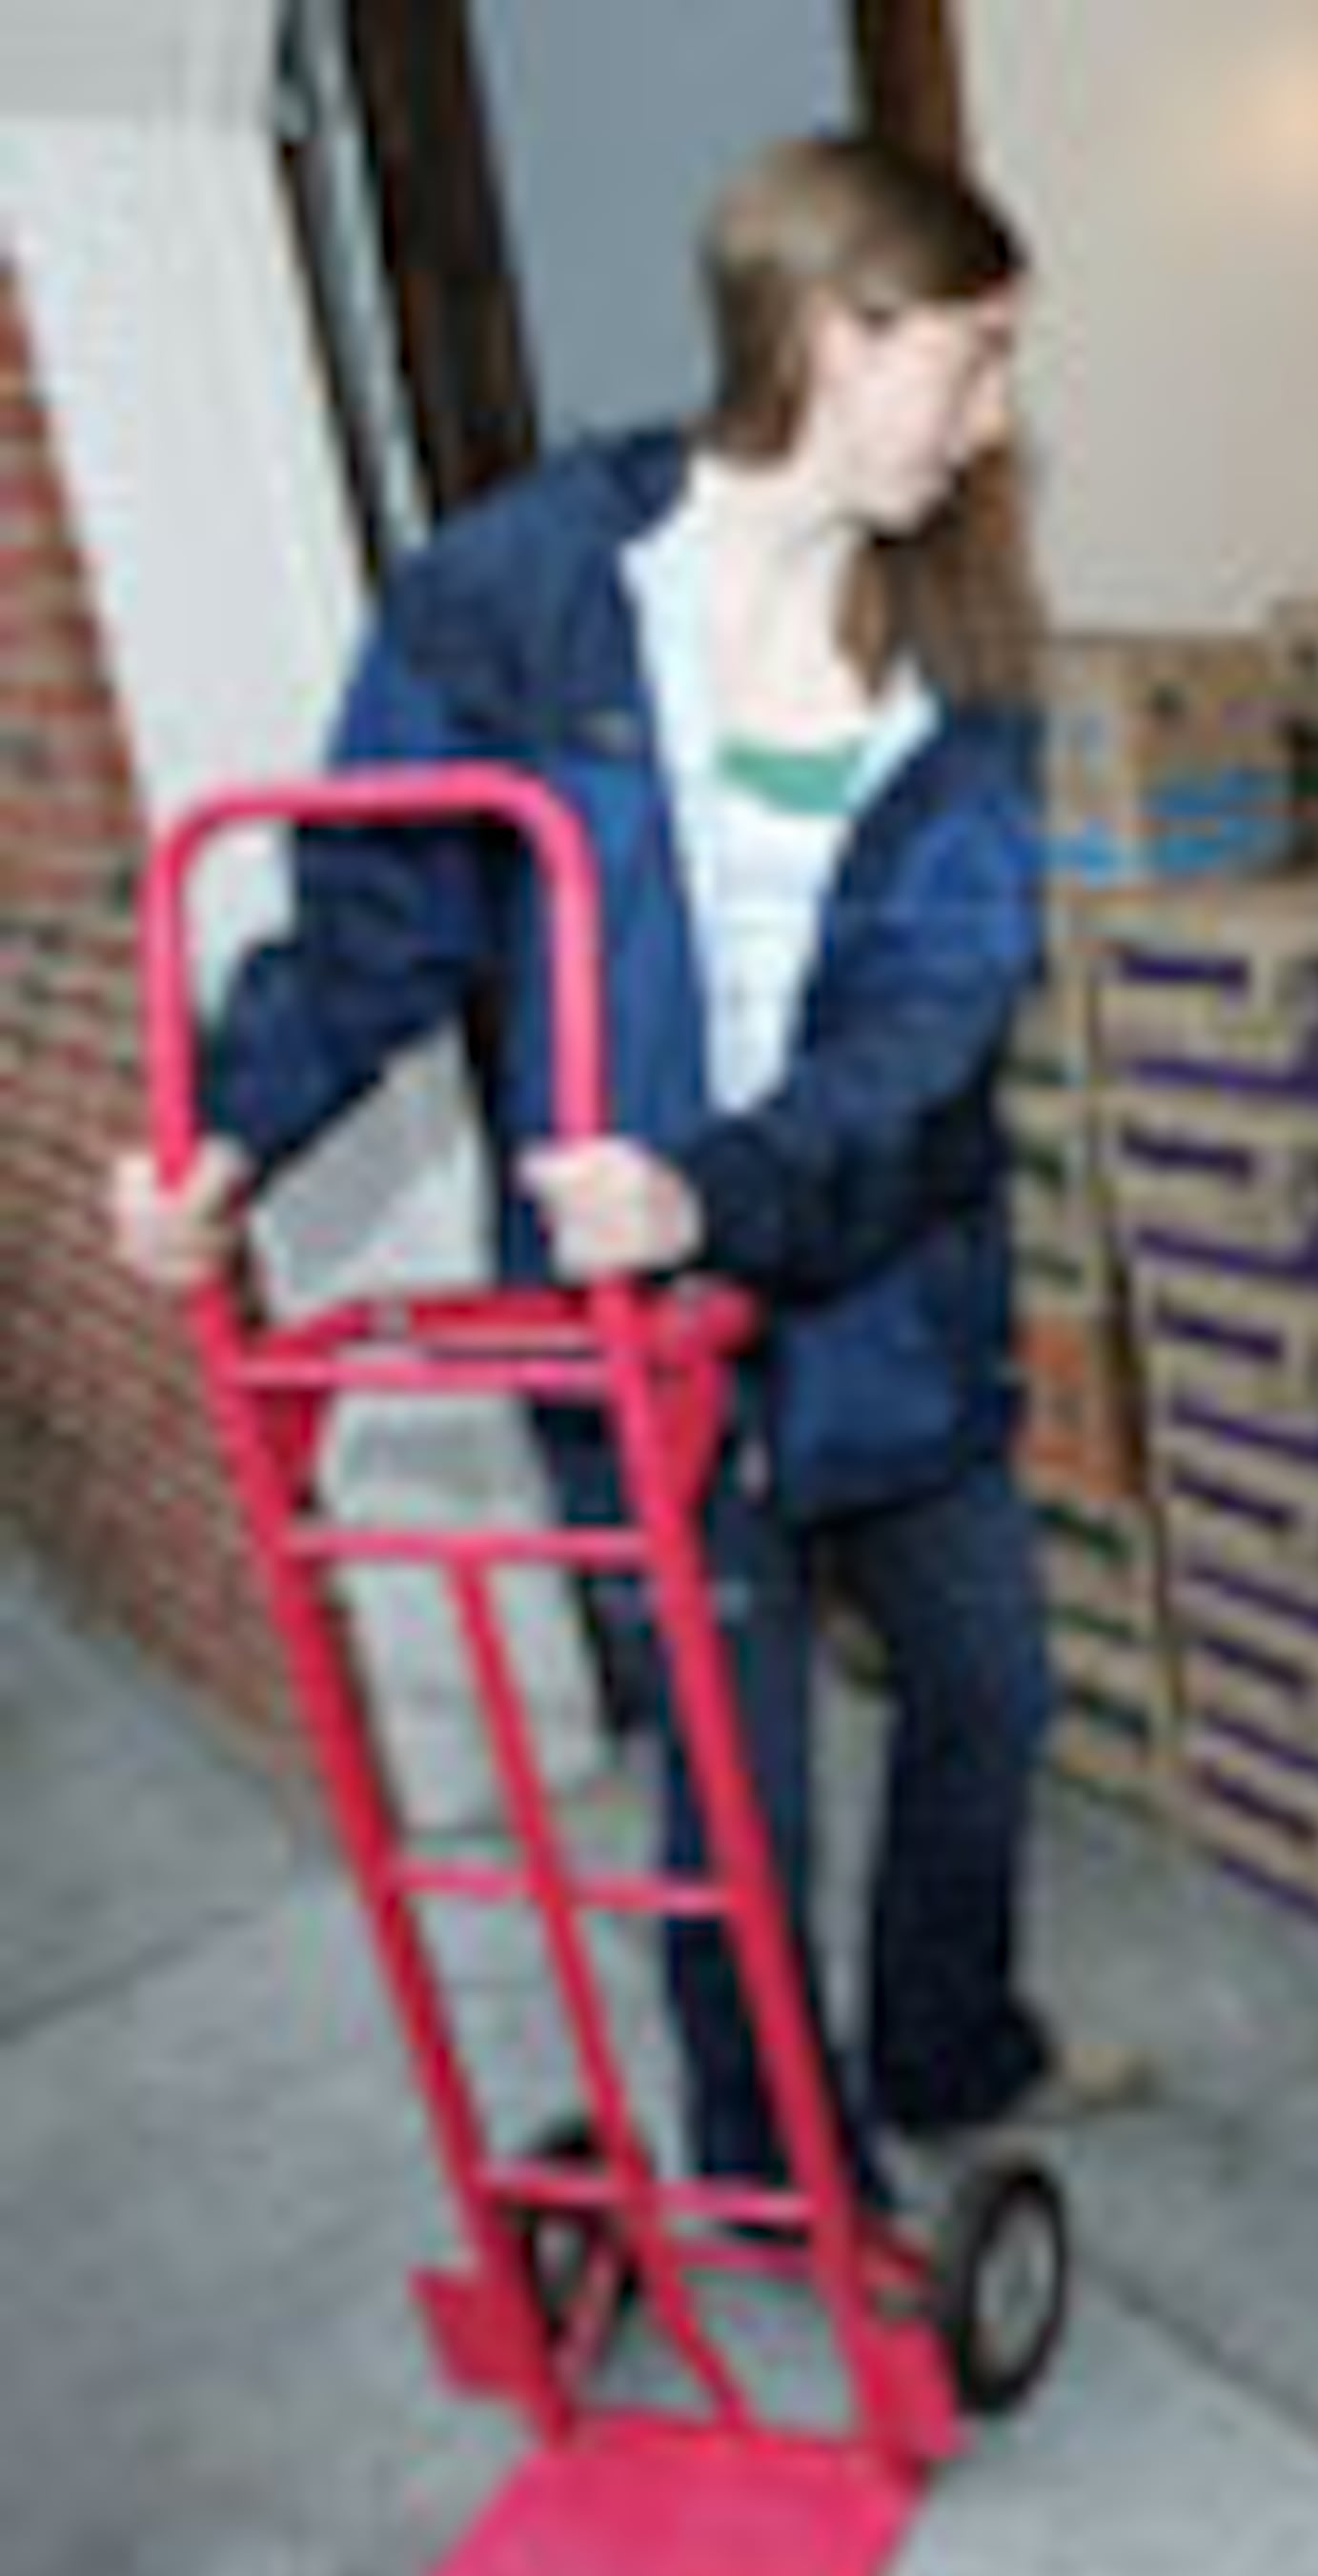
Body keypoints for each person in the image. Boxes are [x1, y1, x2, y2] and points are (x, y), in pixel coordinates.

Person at [106, 131, 1144, 2202]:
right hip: (633, 1339)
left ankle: (952, 2050)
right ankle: (781, 2180)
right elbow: (377, 915)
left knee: (989, 1689)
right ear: (833, 334)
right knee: (737, 1804)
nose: (1000, 413)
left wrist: (719, 1188)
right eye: (975, 354)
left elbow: (935, 1023)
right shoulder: (522, 594)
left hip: (872, 1281)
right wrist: (221, 1133)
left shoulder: (960, 641)